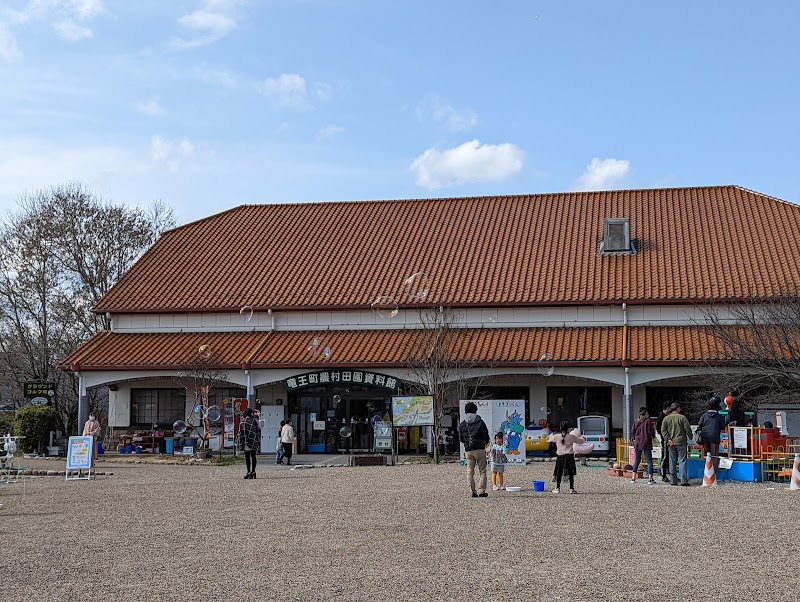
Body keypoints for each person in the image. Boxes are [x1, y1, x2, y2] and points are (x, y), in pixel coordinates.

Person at [458, 402, 490, 497]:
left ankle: (472, 491)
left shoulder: (462, 424)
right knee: (482, 471)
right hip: (480, 449)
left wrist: (468, 443)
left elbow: (461, 439)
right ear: (475, 411)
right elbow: (486, 435)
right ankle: (481, 491)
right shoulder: (480, 422)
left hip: (469, 450)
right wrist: (485, 441)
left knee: (470, 471)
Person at [547, 421, 586, 494]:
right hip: (569, 456)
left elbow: (548, 439)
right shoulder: (572, 437)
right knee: (571, 472)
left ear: (560, 428)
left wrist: (552, 434)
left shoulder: (557, 436)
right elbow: (581, 441)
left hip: (560, 456)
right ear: (568, 429)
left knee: (559, 471)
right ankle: (571, 489)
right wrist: (583, 438)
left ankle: (557, 488)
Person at [660, 402, 693, 486]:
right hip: (681, 441)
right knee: (682, 461)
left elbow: (663, 430)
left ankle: (673, 480)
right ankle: (683, 480)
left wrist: (668, 439)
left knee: (672, 461)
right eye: (680, 408)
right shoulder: (682, 418)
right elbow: (687, 429)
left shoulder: (666, 418)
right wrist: (691, 436)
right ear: (677, 408)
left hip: (671, 443)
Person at [696, 397, 725, 472]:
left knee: (707, 454)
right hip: (714, 437)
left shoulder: (704, 415)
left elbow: (700, 424)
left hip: (705, 437)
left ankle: (707, 470)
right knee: (714, 455)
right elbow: (722, 426)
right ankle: (714, 472)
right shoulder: (718, 416)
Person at [630, 407, 656, 484]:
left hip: (638, 443)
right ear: (646, 414)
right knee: (649, 461)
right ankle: (650, 479)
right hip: (646, 442)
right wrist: (653, 437)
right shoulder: (648, 422)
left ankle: (633, 478)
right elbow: (650, 432)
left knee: (637, 460)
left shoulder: (635, 421)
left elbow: (632, 431)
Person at [236, 408, 264, 479]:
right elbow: (261, 426)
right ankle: (253, 472)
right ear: (251, 413)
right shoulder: (255, 421)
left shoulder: (242, 422)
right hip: (253, 441)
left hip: (245, 442)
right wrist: (259, 416)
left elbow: (240, 433)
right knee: (253, 456)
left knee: (247, 457)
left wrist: (239, 441)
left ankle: (248, 472)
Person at [656, 402, 672, 482]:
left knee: (669, 457)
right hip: (665, 439)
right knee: (665, 457)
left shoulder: (668, 416)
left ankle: (671, 474)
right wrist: (664, 436)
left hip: (670, 439)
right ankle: (663, 475)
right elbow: (658, 429)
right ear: (667, 407)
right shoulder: (661, 417)